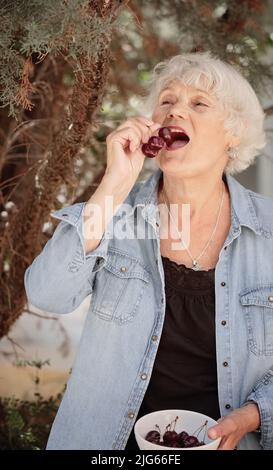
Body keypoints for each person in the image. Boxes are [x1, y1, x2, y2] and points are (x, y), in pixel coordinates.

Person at [24, 51, 273, 451]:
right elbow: (46, 294)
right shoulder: (114, 214)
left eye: (199, 103)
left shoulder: (269, 231)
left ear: (234, 132)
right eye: (167, 101)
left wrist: (256, 413)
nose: (175, 111)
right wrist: (114, 184)